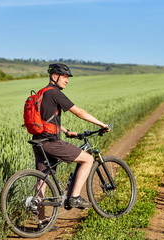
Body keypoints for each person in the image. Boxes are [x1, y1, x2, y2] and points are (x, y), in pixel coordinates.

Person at [32, 63, 110, 224]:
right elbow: (79, 112)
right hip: (52, 143)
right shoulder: (55, 93)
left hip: (39, 143)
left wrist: (67, 132)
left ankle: (41, 221)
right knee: (88, 159)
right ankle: (74, 197)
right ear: (55, 77)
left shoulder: (42, 93)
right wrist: (101, 124)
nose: (67, 80)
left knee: (42, 181)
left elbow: (47, 119)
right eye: (65, 77)